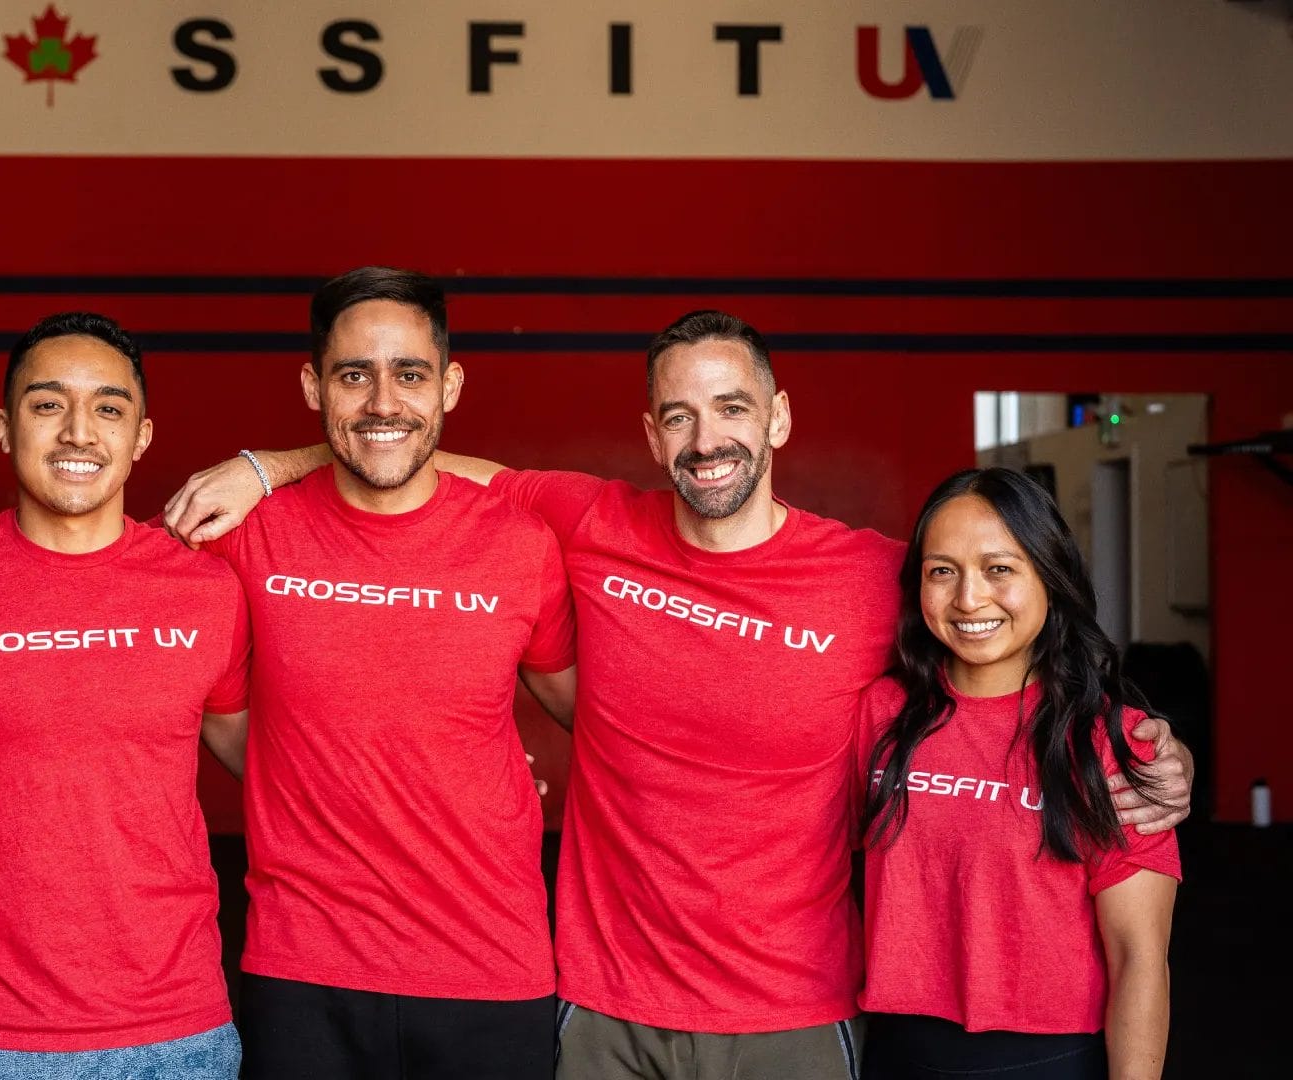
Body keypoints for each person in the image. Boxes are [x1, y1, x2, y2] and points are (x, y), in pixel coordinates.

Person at [163, 309, 1193, 1080]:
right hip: (603, 1008)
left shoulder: (883, 575)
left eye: (733, 408)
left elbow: (1002, 630)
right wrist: (271, 463)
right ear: (653, 435)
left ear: (780, 417)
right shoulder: (593, 523)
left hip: (794, 1011)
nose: (710, 439)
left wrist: (1140, 744)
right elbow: (415, 459)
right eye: (681, 416)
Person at [180, 267, 578, 1080]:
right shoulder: (244, 532)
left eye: (410, 374)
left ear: (450, 386)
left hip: (491, 968)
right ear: (313, 385)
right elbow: (206, 704)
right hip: (303, 970)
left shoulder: (520, 543)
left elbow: (598, 721)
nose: (383, 402)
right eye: (353, 375)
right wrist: (320, 777)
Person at [0, 313, 250, 1079]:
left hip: (178, 1030)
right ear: (3, 427)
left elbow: (277, 764)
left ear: (141, 435)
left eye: (108, 408)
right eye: (48, 405)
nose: (79, 431)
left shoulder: (208, 590)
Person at [856, 468, 1178, 1080]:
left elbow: (1140, 958)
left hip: (1049, 1059)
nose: (969, 599)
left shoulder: (1111, 743)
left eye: (999, 568)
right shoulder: (881, 716)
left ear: (1049, 579)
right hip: (897, 1053)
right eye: (942, 571)